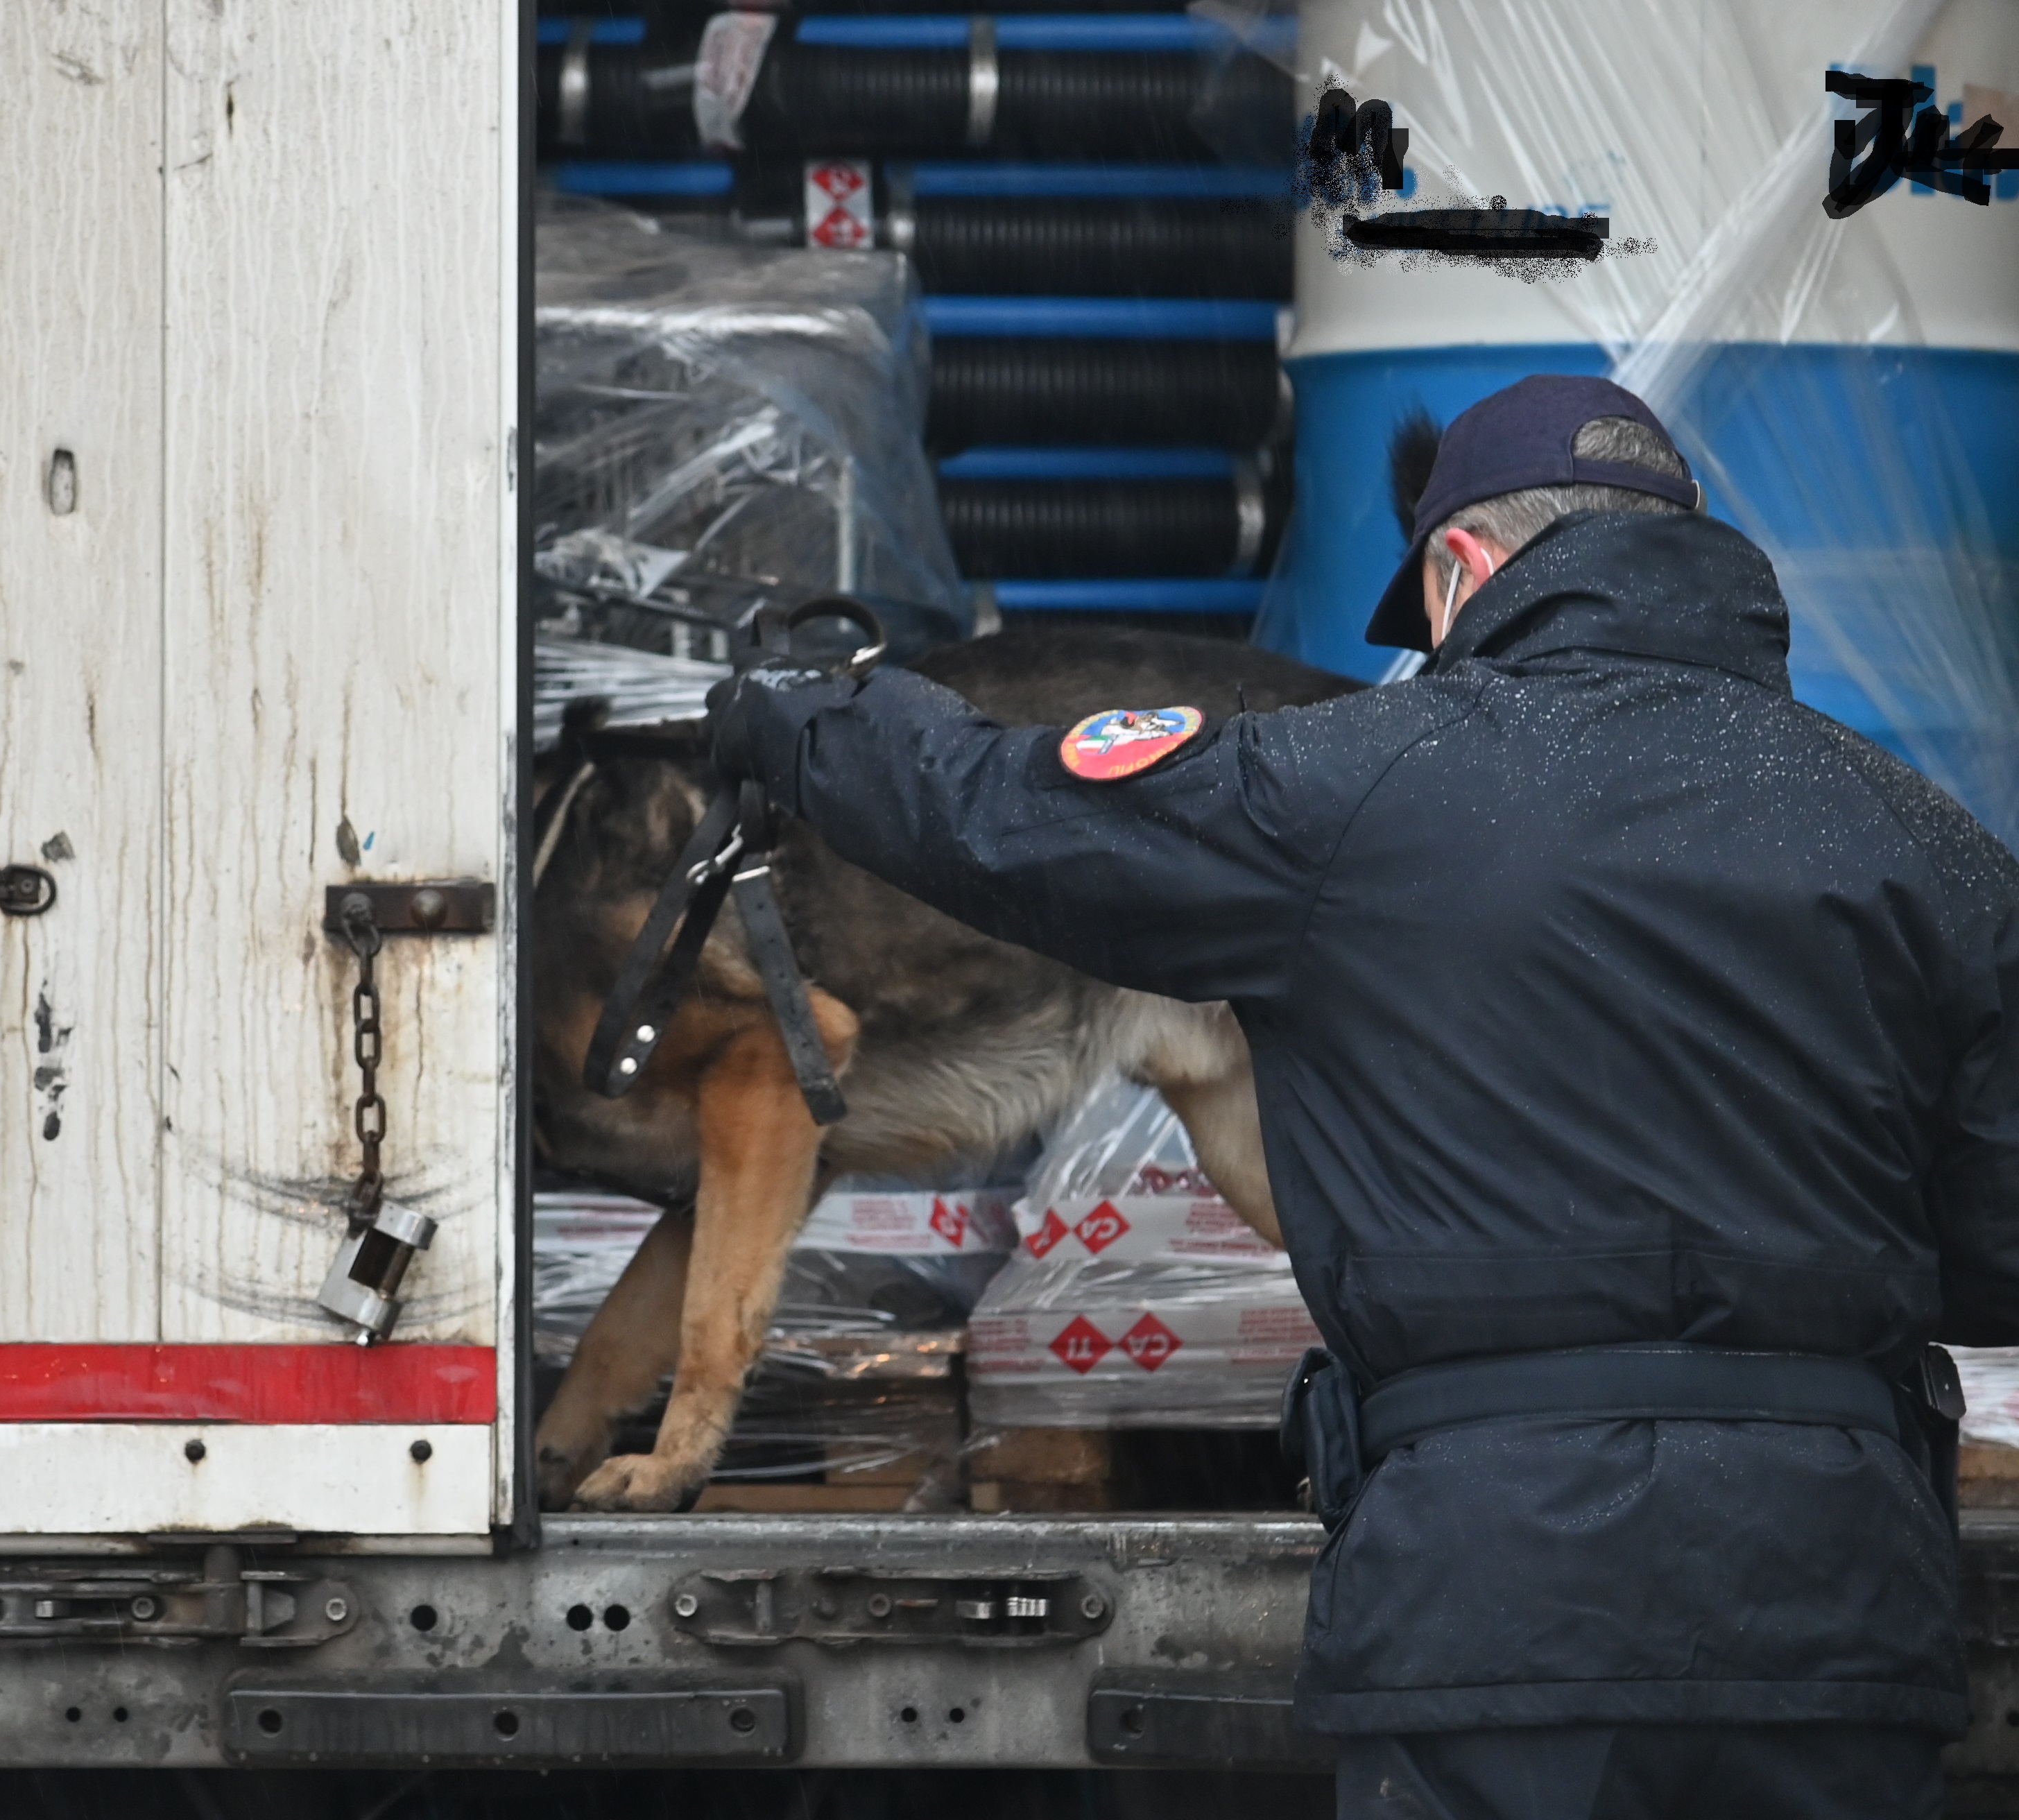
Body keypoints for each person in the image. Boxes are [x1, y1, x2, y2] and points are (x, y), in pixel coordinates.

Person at [703, 375, 2019, 1819]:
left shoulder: (1353, 793)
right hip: (1835, 1609)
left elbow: (1002, 816)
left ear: (1459, 568)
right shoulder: (1922, 840)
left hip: (1492, 1605)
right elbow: (1999, 1243)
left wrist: (807, 719)